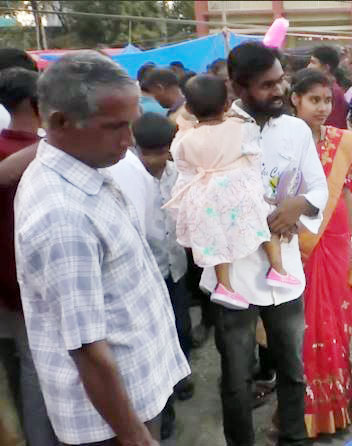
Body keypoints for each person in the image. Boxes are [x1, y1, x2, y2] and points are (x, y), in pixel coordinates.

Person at [14, 50, 190, 446]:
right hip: (111, 422)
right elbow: (87, 348)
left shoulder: (87, 169)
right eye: (115, 128)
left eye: (130, 126)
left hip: (133, 393)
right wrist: (134, 436)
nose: (129, 142)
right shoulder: (61, 214)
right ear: (59, 122)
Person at [208, 41, 328, 446]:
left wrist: (298, 205)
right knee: (237, 377)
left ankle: (292, 436)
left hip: (284, 269)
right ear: (237, 87)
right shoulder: (216, 133)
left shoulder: (295, 129)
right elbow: (195, 200)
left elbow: (319, 189)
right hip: (233, 273)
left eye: (281, 81)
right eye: (266, 85)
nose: (278, 91)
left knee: (292, 367)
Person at [165, 74, 301, 312]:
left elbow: (182, 165)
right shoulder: (241, 128)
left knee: (216, 241)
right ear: (227, 104)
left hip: (205, 194)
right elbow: (254, 154)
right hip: (239, 191)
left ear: (189, 107)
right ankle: (278, 269)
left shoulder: (184, 138)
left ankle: (224, 285)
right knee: (266, 222)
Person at [290, 68, 352, 438]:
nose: (321, 108)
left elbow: (349, 194)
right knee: (302, 324)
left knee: (336, 320)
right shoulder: (281, 142)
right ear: (295, 100)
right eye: (313, 100)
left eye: (326, 100)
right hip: (297, 242)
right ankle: (303, 408)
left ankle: (339, 400)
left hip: (335, 239)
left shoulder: (343, 142)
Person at [0, 67, 59, 446]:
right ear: (37, 104)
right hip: (26, 281)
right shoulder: (37, 153)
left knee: (15, 362)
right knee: (38, 369)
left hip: (7, 279)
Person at [131, 112, 195, 439]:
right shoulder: (127, 179)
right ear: (135, 147)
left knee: (181, 326)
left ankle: (181, 372)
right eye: (149, 152)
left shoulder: (177, 173)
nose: (156, 159)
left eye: (162, 151)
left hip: (175, 267)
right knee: (156, 337)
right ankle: (163, 404)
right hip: (147, 272)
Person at [308, 46, 348, 129]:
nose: (309, 67)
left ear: (326, 68)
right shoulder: (327, 88)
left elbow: (332, 125)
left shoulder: (333, 91)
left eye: (313, 62)